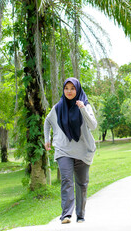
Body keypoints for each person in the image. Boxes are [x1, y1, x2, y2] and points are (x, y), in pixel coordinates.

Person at [44, 77, 97, 224]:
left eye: (72, 88)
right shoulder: (58, 107)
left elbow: (93, 126)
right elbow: (47, 121)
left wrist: (82, 109)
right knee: (66, 180)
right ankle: (66, 215)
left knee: (82, 183)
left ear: (77, 89)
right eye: (66, 88)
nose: (69, 91)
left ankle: (80, 215)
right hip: (63, 150)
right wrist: (47, 139)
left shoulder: (85, 105)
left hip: (83, 150)